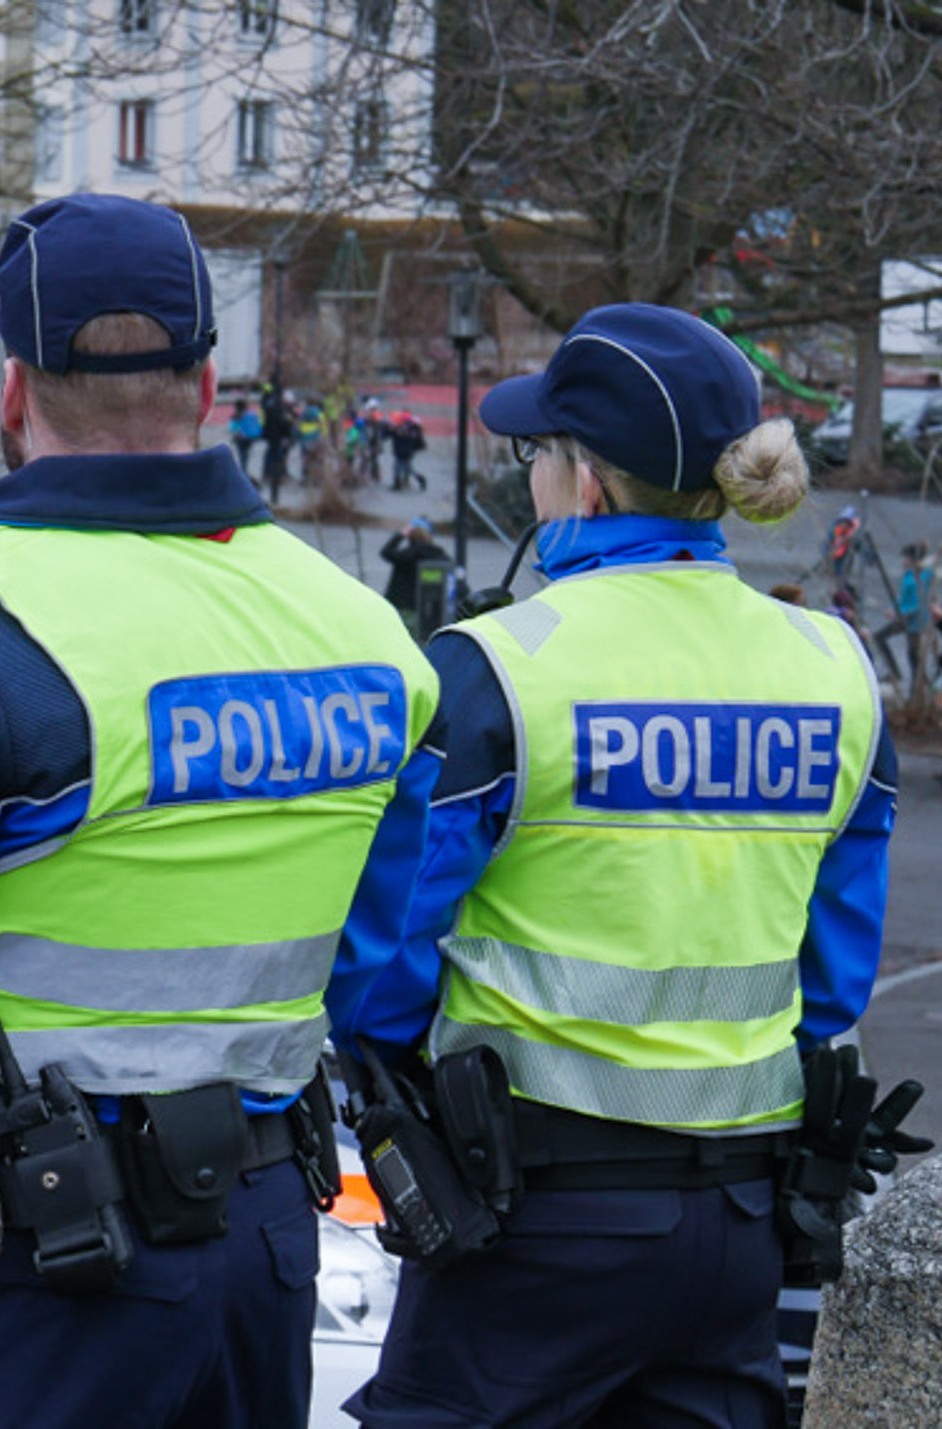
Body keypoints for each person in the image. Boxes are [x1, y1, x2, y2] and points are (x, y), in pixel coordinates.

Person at [0, 192, 438, 1429]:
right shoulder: (365, 635)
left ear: (14, 390)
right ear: (208, 386)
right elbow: (382, 964)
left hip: (45, 1261)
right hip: (264, 1243)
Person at [338, 303, 899, 1429]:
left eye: (537, 455)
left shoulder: (501, 667)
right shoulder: (831, 667)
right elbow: (833, 973)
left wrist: (392, 1080)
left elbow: (385, 954)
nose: (535, 479)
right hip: (742, 1224)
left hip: (533, 1223)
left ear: (586, 482)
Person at [872, 540, 936, 687]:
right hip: (906, 617)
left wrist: (897, 613)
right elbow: (902, 598)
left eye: (906, 558)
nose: (903, 561)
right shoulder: (911, 575)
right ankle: (902, 677)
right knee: (913, 656)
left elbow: (915, 604)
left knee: (913, 656)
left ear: (912, 560)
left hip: (913, 620)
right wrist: (893, 608)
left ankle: (917, 687)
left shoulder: (919, 577)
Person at [378, 516, 441, 630]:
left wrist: (400, 535)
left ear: (410, 535)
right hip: (424, 608)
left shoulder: (406, 555)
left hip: (399, 605)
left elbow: (386, 552)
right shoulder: (437, 555)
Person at [260, 382, 294, 501]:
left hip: (270, 434)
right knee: (278, 456)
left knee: (272, 454)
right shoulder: (279, 405)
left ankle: (270, 475)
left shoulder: (267, 403)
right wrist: (287, 435)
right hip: (277, 436)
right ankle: (277, 476)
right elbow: (284, 422)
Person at [387, 409, 427, 491]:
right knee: (405, 468)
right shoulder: (413, 428)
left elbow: (391, 434)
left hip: (402, 452)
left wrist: (393, 428)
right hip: (407, 452)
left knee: (401, 468)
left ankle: (398, 484)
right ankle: (400, 483)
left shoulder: (400, 428)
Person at [227, 397, 262, 474]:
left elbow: (232, 429)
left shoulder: (236, 415)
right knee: (247, 455)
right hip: (251, 438)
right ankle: (246, 471)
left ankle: (243, 472)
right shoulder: (252, 414)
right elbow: (258, 425)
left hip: (241, 438)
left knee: (242, 455)